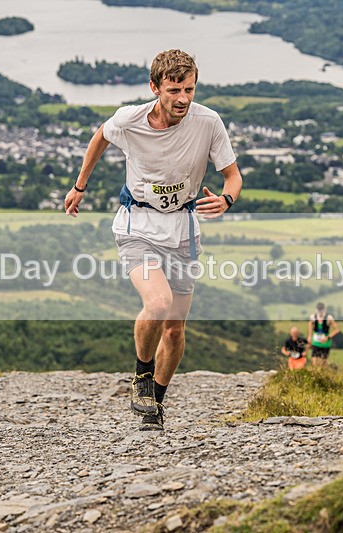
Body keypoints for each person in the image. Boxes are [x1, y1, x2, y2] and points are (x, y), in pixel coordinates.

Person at [64, 49, 242, 431]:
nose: (183, 98)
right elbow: (101, 136)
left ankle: (155, 403)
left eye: (190, 89)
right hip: (137, 223)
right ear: (155, 87)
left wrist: (226, 199)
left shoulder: (208, 122)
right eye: (175, 89)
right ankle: (142, 375)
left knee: (175, 328)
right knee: (158, 303)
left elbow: (233, 176)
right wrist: (80, 185)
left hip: (184, 229)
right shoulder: (131, 118)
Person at [308, 302, 339, 368]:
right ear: (317, 309)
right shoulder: (313, 317)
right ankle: (315, 375)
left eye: (321, 309)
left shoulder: (329, 318)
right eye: (319, 309)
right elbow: (310, 324)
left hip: (325, 343)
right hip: (315, 342)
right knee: (314, 362)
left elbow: (336, 330)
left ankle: (323, 375)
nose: (320, 311)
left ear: (324, 309)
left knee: (323, 363)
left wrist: (327, 337)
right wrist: (310, 336)